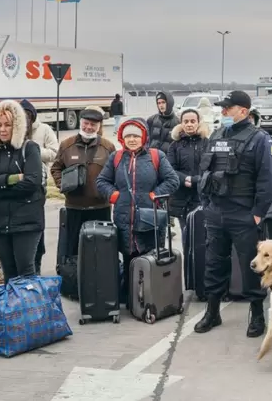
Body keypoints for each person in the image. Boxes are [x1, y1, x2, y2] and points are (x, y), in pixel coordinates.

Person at [193, 91, 272, 338]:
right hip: (216, 212)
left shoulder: (260, 139)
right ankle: (212, 312)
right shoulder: (217, 135)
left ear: (243, 111)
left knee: (252, 267)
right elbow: (206, 172)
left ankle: (257, 316)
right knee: (214, 264)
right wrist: (207, 203)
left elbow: (269, 179)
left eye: (227, 108)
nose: (223, 112)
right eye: (222, 108)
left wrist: (257, 213)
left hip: (244, 215)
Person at [95, 118, 179, 306]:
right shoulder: (116, 158)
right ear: (122, 138)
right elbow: (102, 181)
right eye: (128, 136)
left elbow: (172, 180)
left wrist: (154, 196)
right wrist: (114, 195)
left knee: (149, 259)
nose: (132, 139)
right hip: (124, 219)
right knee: (128, 257)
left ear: (144, 136)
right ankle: (130, 298)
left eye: (136, 135)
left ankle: (149, 298)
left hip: (150, 220)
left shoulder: (156, 156)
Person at [0, 100, 46, 282]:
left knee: (26, 271)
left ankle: (29, 309)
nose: (3, 129)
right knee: (8, 273)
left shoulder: (29, 148)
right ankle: (12, 310)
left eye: (7, 124)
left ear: (17, 126)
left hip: (26, 222)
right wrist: (11, 179)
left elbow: (32, 183)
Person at [50, 107, 117, 259]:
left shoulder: (108, 147)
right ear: (80, 122)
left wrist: (109, 192)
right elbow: (56, 168)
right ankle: (74, 279)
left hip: (101, 208)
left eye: (93, 125)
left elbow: (116, 174)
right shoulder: (67, 145)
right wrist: (63, 185)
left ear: (99, 126)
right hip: (74, 207)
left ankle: (100, 280)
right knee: (73, 250)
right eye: (86, 123)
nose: (88, 127)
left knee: (101, 250)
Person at [19, 99, 60, 275]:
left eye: (27, 116)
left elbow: (54, 152)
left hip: (38, 184)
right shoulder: (14, 131)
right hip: (18, 184)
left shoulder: (44, 130)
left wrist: (33, 150)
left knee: (36, 225)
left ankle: (37, 263)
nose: (24, 120)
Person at [168, 109, 210, 238]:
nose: (189, 124)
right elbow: (170, 169)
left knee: (203, 237)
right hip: (182, 198)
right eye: (186, 121)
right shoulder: (174, 146)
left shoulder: (207, 143)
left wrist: (195, 180)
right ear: (181, 123)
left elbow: (211, 168)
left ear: (198, 122)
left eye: (193, 121)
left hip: (202, 195)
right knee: (187, 235)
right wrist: (185, 179)